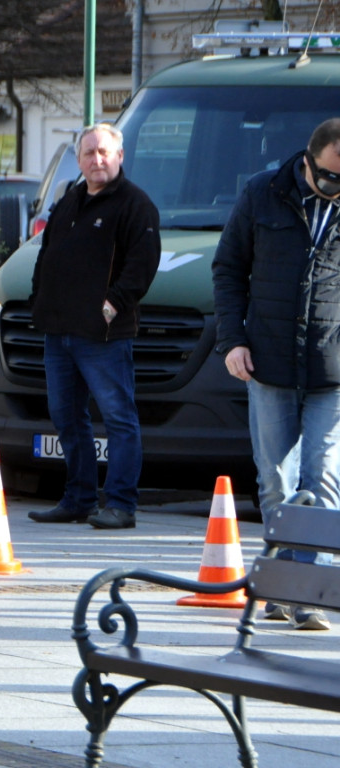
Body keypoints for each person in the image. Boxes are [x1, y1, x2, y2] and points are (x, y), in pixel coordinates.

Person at [212, 118, 340, 631]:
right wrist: (232, 340)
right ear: (305, 161)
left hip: (331, 369)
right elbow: (228, 269)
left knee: (323, 477)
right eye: (329, 178)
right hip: (268, 362)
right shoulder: (261, 194)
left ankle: (310, 593)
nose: (335, 190)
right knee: (277, 481)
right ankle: (283, 585)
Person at [27, 123, 160, 530]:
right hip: (60, 332)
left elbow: (142, 266)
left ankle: (120, 504)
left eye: (104, 152)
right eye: (89, 153)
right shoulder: (69, 199)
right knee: (67, 417)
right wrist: (40, 301)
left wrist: (111, 306)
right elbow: (47, 253)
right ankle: (79, 499)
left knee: (119, 419)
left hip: (104, 335)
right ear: (79, 159)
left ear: (120, 156)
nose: (96, 159)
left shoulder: (136, 205)